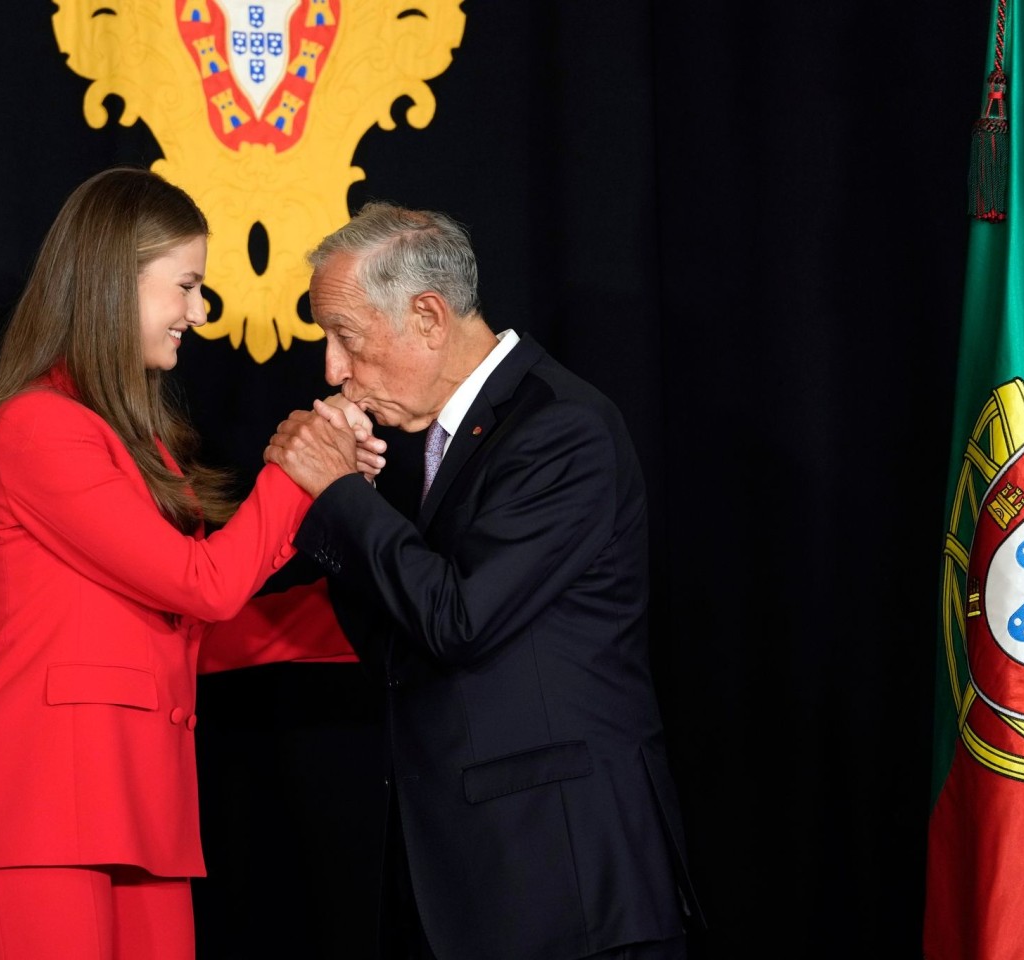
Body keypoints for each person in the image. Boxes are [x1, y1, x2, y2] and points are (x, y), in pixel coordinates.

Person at [0, 166, 361, 960]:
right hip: (39, 812)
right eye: (187, 286)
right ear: (112, 281)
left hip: (140, 811)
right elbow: (201, 586)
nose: (199, 313)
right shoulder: (37, 428)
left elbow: (180, 631)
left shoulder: (136, 441)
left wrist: (362, 615)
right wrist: (303, 469)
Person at [264, 201, 703, 960]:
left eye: (345, 336)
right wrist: (342, 505)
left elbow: (459, 620)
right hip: (471, 884)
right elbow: (399, 651)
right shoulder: (438, 443)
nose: (331, 369)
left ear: (429, 316)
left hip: (567, 890)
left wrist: (338, 495)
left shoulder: (562, 429)